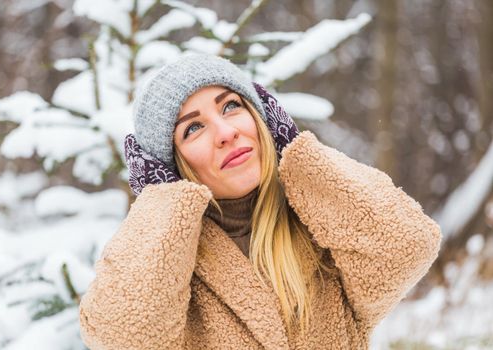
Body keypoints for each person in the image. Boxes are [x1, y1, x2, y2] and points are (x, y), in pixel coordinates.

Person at [78, 53, 442, 350]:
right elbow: (123, 335)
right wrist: (163, 201)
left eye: (231, 106)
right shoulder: (172, 269)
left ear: (261, 118)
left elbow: (408, 244)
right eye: (193, 128)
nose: (225, 133)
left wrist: (297, 154)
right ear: (169, 166)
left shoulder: (320, 228)